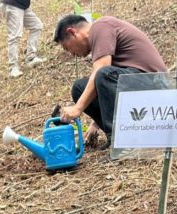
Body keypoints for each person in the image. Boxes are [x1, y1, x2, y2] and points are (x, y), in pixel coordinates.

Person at [54, 15, 167, 146]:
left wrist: (78, 108)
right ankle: (127, 134)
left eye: (67, 47)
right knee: (79, 88)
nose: (71, 54)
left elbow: (102, 71)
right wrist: (95, 123)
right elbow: (109, 83)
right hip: (138, 83)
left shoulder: (100, 27)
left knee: (102, 74)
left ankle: (120, 142)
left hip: (156, 86)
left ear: (72, 32)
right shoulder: (101, 34)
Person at [0, 0, 45, 79]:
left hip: (22, 5)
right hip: (13, 4)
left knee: (37, 26)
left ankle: (31, 57)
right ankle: (13, 68)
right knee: (15, 36)